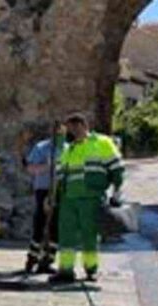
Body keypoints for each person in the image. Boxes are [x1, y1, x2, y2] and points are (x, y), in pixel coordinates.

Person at [50, 113, 124, 285]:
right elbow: (60, 176)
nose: (72, 132)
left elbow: (117, 168)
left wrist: (117, 192)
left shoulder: (102, 143)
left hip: (91, 198)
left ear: (83, 125)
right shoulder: (69, 148)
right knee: (66, 236)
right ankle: (66, 270)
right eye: (70, 129)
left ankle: (91, 270)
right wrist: (54, 197)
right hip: (68, 199)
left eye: (74, 128)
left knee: (89, 235)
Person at [23, 123, 66, 274]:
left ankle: (47, 261)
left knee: (55, 226)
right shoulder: (42, 148)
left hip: (60, 191)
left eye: (63, 132)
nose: (60, 135)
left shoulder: (67, 149)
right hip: (44, 190)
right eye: (58, 132)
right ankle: (32, 258)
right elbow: (30, 168)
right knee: (40, 224)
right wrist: (47, 167)